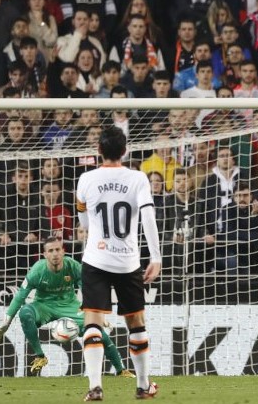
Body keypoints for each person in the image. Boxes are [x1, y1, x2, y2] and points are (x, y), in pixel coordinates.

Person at [76, 127, 161, 401]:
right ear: (125, 151)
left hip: (96, 259)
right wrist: (156, 256)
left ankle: (95, 386)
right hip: (127, 262)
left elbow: (84, 223)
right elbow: (148, 218)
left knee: (93, 322)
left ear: (98, 150)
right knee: (136, 322)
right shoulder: (138, 178)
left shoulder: (86, 179)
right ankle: (143, 385)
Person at [0, 237, 134, 377]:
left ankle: (121, 371)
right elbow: (20, 296)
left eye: (57, 249)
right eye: (50, 250)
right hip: (44, 306)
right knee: (25, 313)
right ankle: (40, 356)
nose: (55, 254)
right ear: (45, 254)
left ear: (63, 251)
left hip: (70, 306)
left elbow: (88, 289)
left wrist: (96, 313)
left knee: (98, 332)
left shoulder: (72, 266)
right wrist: (6, 323)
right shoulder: (37, 271)